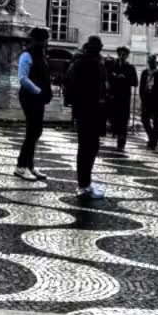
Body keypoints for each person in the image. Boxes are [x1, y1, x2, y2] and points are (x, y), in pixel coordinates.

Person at [64, 35, 108, 200]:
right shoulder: (85, 64)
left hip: (90, 111)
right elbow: (72, 87)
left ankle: (85, 183)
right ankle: (83, 185)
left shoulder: (94, 64)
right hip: (88, 110)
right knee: (87, 148)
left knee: (91, 147)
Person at [14, 26, 52, 181]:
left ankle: (29, 165)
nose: (44, 43)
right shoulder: (26, 55)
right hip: (29, 97)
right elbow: (22, 78)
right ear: (35, 40)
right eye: (42, 40)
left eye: (45, 40)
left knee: (36, 131)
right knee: (32, 132)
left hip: (39, 98)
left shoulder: (41, 55)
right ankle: (21, 166)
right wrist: (38, 91)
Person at [105, 46, 138, 151]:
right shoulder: (112, 65)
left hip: (124, 98)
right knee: (114, 119)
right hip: (113, 96)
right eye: (120, 53)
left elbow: (135, 82)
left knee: (123, 121)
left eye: (124, 54)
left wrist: (125, 78)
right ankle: (115, 133)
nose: (122, 55)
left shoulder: (130, 67)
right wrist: (115, 77)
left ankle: (121, 143)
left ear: (127, 56)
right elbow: (107, 77)